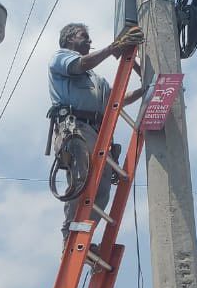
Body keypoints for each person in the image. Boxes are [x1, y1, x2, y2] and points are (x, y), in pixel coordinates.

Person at [48, 22, 144, 244]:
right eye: (84, 36)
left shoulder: (96, 79)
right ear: (69, 39)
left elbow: (118, 99)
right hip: (76, 127)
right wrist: (113, 48)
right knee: (81, 180)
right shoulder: (60, 58)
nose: (89, 41)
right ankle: (70, 237)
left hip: (97, 133)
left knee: (101, 190)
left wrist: (144, 90)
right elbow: (80, 64)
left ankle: (83, 237)